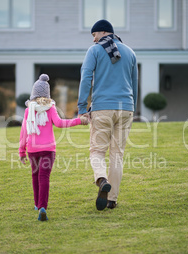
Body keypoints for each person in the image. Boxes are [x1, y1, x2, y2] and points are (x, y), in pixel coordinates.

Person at [77, 19, 138, 211]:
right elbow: (134, 82)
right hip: (126, 107)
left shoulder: (94, 50)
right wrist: (132, 106)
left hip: (103, 107)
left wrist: (81, 108)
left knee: (97, 150)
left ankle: (102, 180)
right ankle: (112, 199)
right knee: (117, 154)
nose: (93, 39)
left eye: (94, 35)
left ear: (101, 32)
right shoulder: (130, 52)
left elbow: (86, 78)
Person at [19, 74, 89, 221]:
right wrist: (79, 121)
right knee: (44, 177)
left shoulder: (28, 110)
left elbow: (24, 132)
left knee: (35, 175)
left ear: (33, 94)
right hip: (48, 150)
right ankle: (42, 207)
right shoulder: (50, 108)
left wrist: (22, 151)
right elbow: (59, 123)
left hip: (32, 150)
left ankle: (37, 205)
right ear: (47, 94)